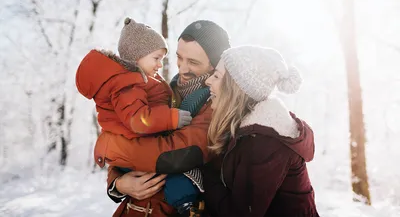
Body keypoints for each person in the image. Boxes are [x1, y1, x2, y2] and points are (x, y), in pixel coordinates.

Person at [95, 20, 231, 216]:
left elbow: (177, 153)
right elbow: (127, 131)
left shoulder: (216, 105)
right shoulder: (160, 92)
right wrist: (119, 183)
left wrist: (113, 147)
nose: (182, 69)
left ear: (214, 65)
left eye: (193, 62)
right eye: (179, 57)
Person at [76, 18, 198, 214]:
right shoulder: (128, 84)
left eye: (163, 59)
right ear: (137, 56)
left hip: (140, 161)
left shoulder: (140, 81)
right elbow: (138, 120)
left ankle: (186, 203)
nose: (160, 65)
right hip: (137, 170)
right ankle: (187, 204)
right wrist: (172, 118)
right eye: (156, 58)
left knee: (175, 175)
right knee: (174, 176)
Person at [203, 45, 319, 217]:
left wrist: (201, 174)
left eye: (217, 76)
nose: (208, 81)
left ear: (235, 88)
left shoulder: (264, 142)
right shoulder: (245, 129)